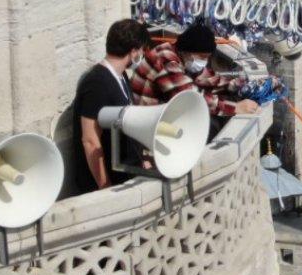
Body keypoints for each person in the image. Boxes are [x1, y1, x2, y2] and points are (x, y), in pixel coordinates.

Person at [129, 23, 260, 138]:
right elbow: (190, 97)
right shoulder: (166, 59)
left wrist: (237, 85)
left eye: (207, 58)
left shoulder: (182, 55)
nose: (204, 62)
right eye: (202, 57)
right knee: (209, 126)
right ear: (189, 51)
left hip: (161, 114)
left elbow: (206, 78)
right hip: (149, 125)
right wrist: (235, 108)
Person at [72, 19, 151, 192]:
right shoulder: (96, 82)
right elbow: (90, 139)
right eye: (142, 50)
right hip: (110, 184)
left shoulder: (121, 76)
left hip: (126, 174)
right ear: (133, 51)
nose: (142, 55)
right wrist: (104, 185)